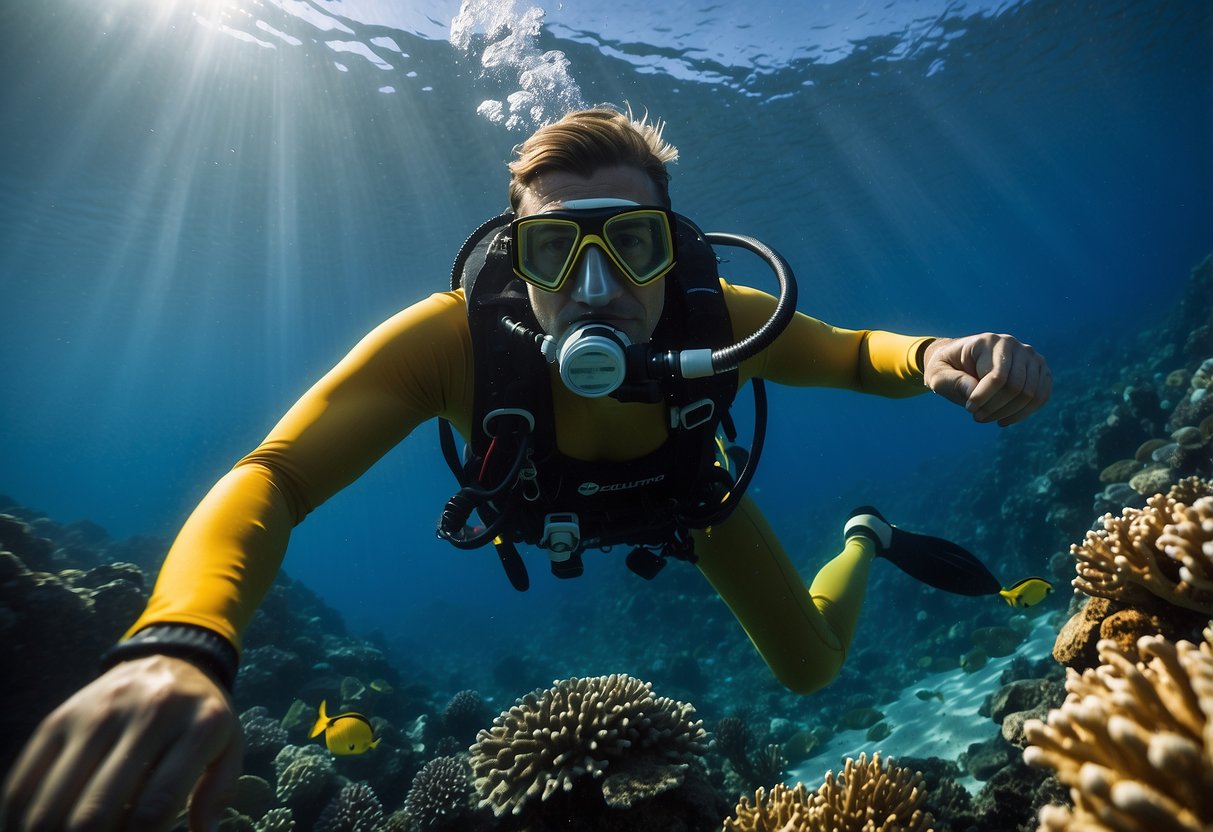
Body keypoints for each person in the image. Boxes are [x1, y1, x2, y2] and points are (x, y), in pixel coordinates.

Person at [1, 106, 1051, 831]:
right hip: (543, 509)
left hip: (693, 501)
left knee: (813, 669)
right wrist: (184, 643)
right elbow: (274, 475)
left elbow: (852, 352)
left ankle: (861, 536)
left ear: (673, 247)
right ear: (514, 259)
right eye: (556, 253)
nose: (596, 288)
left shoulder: (713, 315)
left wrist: (933, 357)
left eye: (632, 245)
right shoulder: (449, 342)